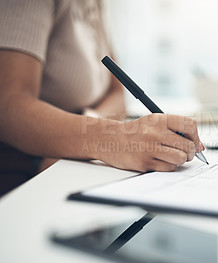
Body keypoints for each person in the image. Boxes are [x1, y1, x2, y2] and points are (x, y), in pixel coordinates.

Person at [0, 0, 204, 196]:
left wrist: (91, 127)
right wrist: (110, 139)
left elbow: (117, 93)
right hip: (26, 172)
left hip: (71, 160)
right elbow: (7, 104)